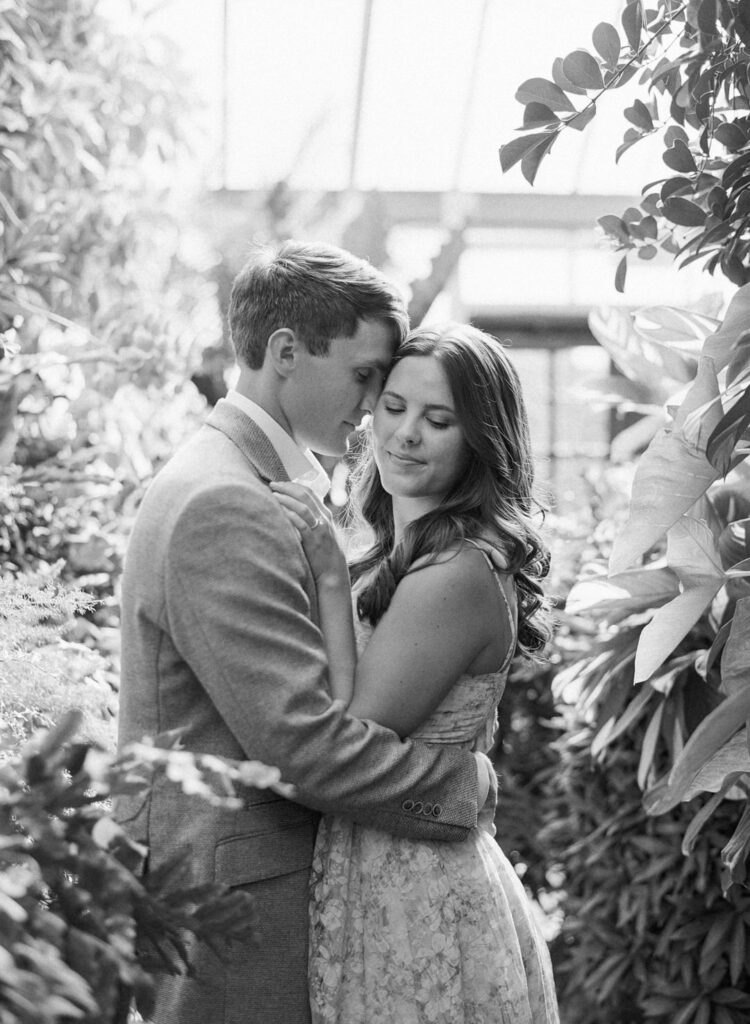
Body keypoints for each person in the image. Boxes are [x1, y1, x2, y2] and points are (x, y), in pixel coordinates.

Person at [115, 241, 498, 1024]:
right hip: (233, 889)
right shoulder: (225, 500)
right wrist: (465, 789)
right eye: (365, 377)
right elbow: (303, 743)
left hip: (239, 877)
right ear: (286, 353)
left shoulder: (241, 480)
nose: (373, 405)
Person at [272, 321, 559, 1023]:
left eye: (437, 420)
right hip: (384, 867)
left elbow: (353, 734)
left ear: (480, 441)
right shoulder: (402, 550)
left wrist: (328, 575)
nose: (403, 434)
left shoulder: (456, 572)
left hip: (420, 892)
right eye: (393, 406)